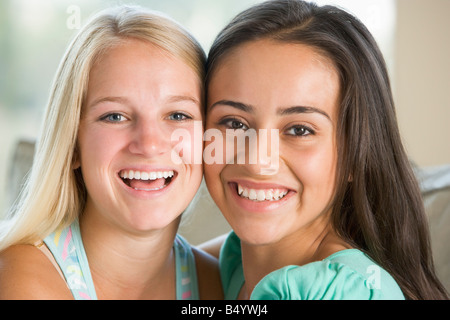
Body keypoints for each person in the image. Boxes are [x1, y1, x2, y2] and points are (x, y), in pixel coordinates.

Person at [202, 0, 449, 299]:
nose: (257, 161)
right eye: (234, 123)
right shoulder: (233, 258)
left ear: (355, 156)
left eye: (299, 130)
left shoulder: (343, 291)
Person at [0, 5, 222, 300]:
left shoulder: (215, 284)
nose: (149, 144)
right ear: (73, 144)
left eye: (178, 115)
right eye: (115, 116)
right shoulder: (20, 278)